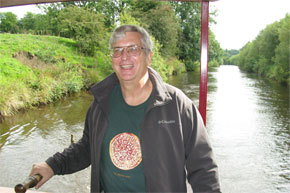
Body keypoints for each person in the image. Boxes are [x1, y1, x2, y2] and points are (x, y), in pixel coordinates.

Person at [30, 25, 221, 193]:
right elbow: (88, 147)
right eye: (117, 50)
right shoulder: (100, 103)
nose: (124, 57)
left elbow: (203, 166)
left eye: (133, 49)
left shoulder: (178, 105)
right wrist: (52, 165)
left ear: (149, 56)